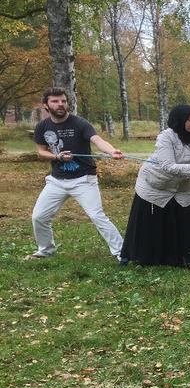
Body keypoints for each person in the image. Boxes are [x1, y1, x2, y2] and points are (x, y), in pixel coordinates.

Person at [27, 87, 125, 261]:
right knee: (39, 217)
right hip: (57, 181)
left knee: (97, 216)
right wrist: (57, 156)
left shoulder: (80, 123)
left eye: (63, 101)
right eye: (55, 101)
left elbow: (97, 140)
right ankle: (45, 251)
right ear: (46, 105)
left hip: (84, 180)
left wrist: (112, 151)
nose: (60, 104)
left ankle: (122, 253)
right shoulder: (42, 126)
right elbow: (41, 152)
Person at [120, 105, 190, 267]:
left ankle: (187, 258)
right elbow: (167, 165)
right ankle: (140, 257)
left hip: (182, 187)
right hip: (155, 184)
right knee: (150, 224)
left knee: (186, 221)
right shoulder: (166, 137)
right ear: (180, 120)